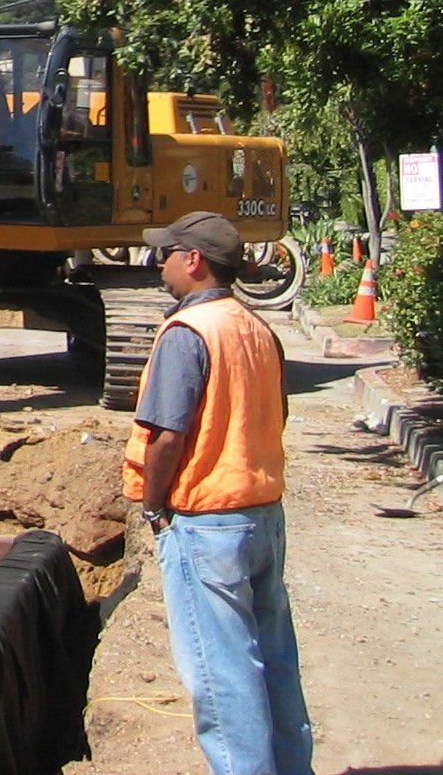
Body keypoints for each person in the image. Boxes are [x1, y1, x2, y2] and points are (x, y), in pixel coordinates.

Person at [121, 210, 313, 775]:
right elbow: (275, 414)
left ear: (194, 261)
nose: (160, 265)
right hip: (261, 513)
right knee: (274, 661)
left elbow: (167, 435)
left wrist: (156, 508)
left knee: (221, 674)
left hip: (206, 522)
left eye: (167, 255)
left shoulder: (189, 333)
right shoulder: (256, 328)